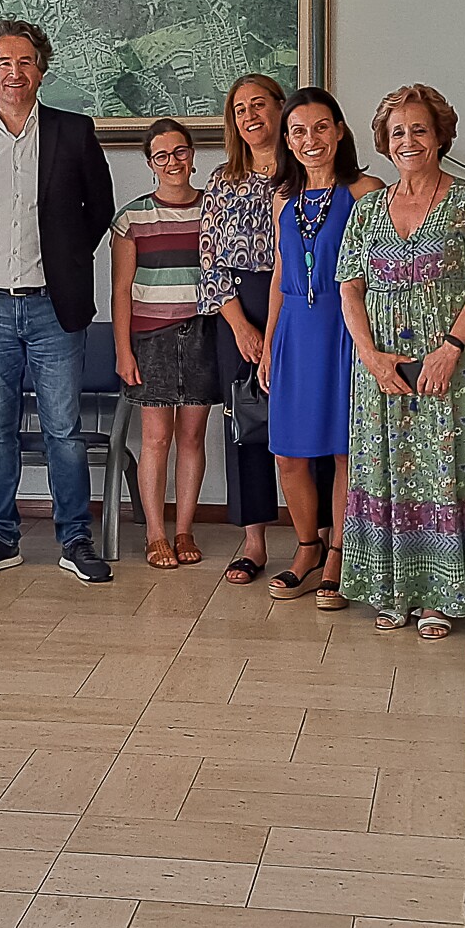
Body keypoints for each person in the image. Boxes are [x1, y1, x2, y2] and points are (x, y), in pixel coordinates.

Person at [0, 20, 118, 584]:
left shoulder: (73, 131)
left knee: (64, 430)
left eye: (26, 62)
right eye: (4, 62)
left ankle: (75, 538)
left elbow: (99, 208)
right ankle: (0, 536)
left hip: (53, 307)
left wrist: (66, 260)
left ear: (42, 70)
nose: (14, 72)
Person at [338, 85, 465, 636]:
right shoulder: (367, 208)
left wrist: (450, 349)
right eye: (398, 132)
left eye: (419, 129)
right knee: (387, 469)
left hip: (452, 364)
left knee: (444, 471)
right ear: (384, 142)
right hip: (381, 367)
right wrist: (370, 356)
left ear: (440, 136)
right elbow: (349, 288)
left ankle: (441, 594)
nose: (408, 140)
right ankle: (391, 588)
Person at [261, 87, 379, 611]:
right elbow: (280, 274)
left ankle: (339, 555)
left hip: (346, 330)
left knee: (344, 450)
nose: (311, 139)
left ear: (339, 131)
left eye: (321, 127)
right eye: (299, 131)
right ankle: (307, 546)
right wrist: (269, 345)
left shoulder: (366, 191)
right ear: (287, 140)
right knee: (289, 454)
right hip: (294, 330)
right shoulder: (282, 199)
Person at [113, 118, 217, 570]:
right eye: (162, 155)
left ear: (192, 156)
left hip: (203, 334)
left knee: (192, 436)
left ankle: (184, 529)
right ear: (150, 163)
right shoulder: (131, 218)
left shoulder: (215, 209)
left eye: (180, 152)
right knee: (156, 438)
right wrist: (123, 351)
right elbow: (120, 290)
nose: (172, 161)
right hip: (150, 339)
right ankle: (155, 534)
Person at [199, 73, 288, 585]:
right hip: (236, 313)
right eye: (239, 109)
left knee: (306, 425)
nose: (250, 116)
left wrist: (273, 331)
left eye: (258, 104)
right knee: (245, 425)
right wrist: (240, 326)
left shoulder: (306, 173)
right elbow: (209, 259)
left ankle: (320, 539)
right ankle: (254, 541)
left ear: (280, 107)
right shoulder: (222, 179)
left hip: (298, 307)